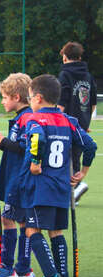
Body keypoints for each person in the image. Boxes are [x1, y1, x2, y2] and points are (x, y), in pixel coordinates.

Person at [20, 74, 97, 277]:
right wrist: (83, 172)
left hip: (40, 186)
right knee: (56, 231)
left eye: (30, 97)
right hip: (62, 187)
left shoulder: (34, 120)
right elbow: (90, 146)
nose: (30, 101)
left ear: (39, 98)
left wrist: (35, 162)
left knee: (32, 230)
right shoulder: (69, 121)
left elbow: (37, 138)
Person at [0, 73, 35, 277]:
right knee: (23, 221)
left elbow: (25, 149)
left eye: (5, 97)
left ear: (16, 97)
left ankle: (8, 268)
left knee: (9, 219)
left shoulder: (27, 118)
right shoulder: (22, 117)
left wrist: (2, 140)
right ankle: (23, 268)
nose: (3, 101)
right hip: (16, 177)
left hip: (20, 179)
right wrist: (1, 142)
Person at [57, 41, 97, 203]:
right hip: (82, 122)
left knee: (64, 157)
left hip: (66, 122)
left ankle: (75, 187)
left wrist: (55, 120)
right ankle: (74, 190)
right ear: (80, 57)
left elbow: (61, 103)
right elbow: (92, 102)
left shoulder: (64, 75)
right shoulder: (88, 76)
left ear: (65, 58)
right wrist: (85, 123)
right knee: (76, 156)